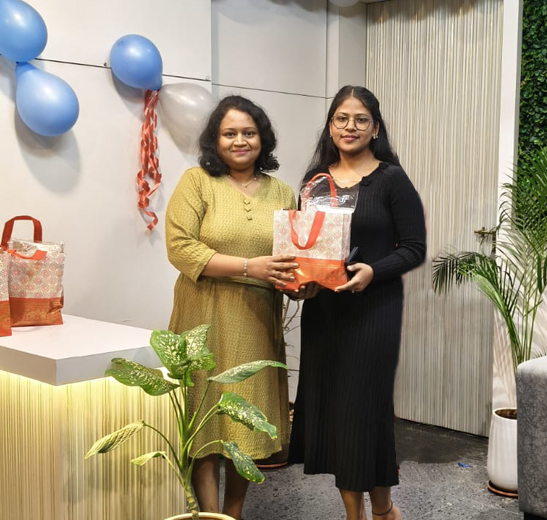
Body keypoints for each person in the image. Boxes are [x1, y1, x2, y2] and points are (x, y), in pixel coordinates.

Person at [288, 85, 427, 520]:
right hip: (325, 314)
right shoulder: (314, 183)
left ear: (375, 128)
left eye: (361, 119)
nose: (351, 127)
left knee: (364, 412)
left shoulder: (391, 179)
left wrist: (373, 271)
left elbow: (414, 248)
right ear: (330, 126)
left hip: (374, 312)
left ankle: (380, 509)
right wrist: (299, 284)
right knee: (334, 412)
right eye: (342, 118)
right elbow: (302, 248)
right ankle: (362, 514)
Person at [165, 95, 297, 519]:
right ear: (215, 140)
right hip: (201, 317)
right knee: (204, 418)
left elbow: (292, 257)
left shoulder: (283, 192)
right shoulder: (197, 182)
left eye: (248, 132)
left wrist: (304, 283)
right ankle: (209, 515)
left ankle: (233, 513)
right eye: (229, 133)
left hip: (255, 323)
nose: (240, 141)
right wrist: (249, 267)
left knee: (244, 422)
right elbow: (180, 248)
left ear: (262, 138)